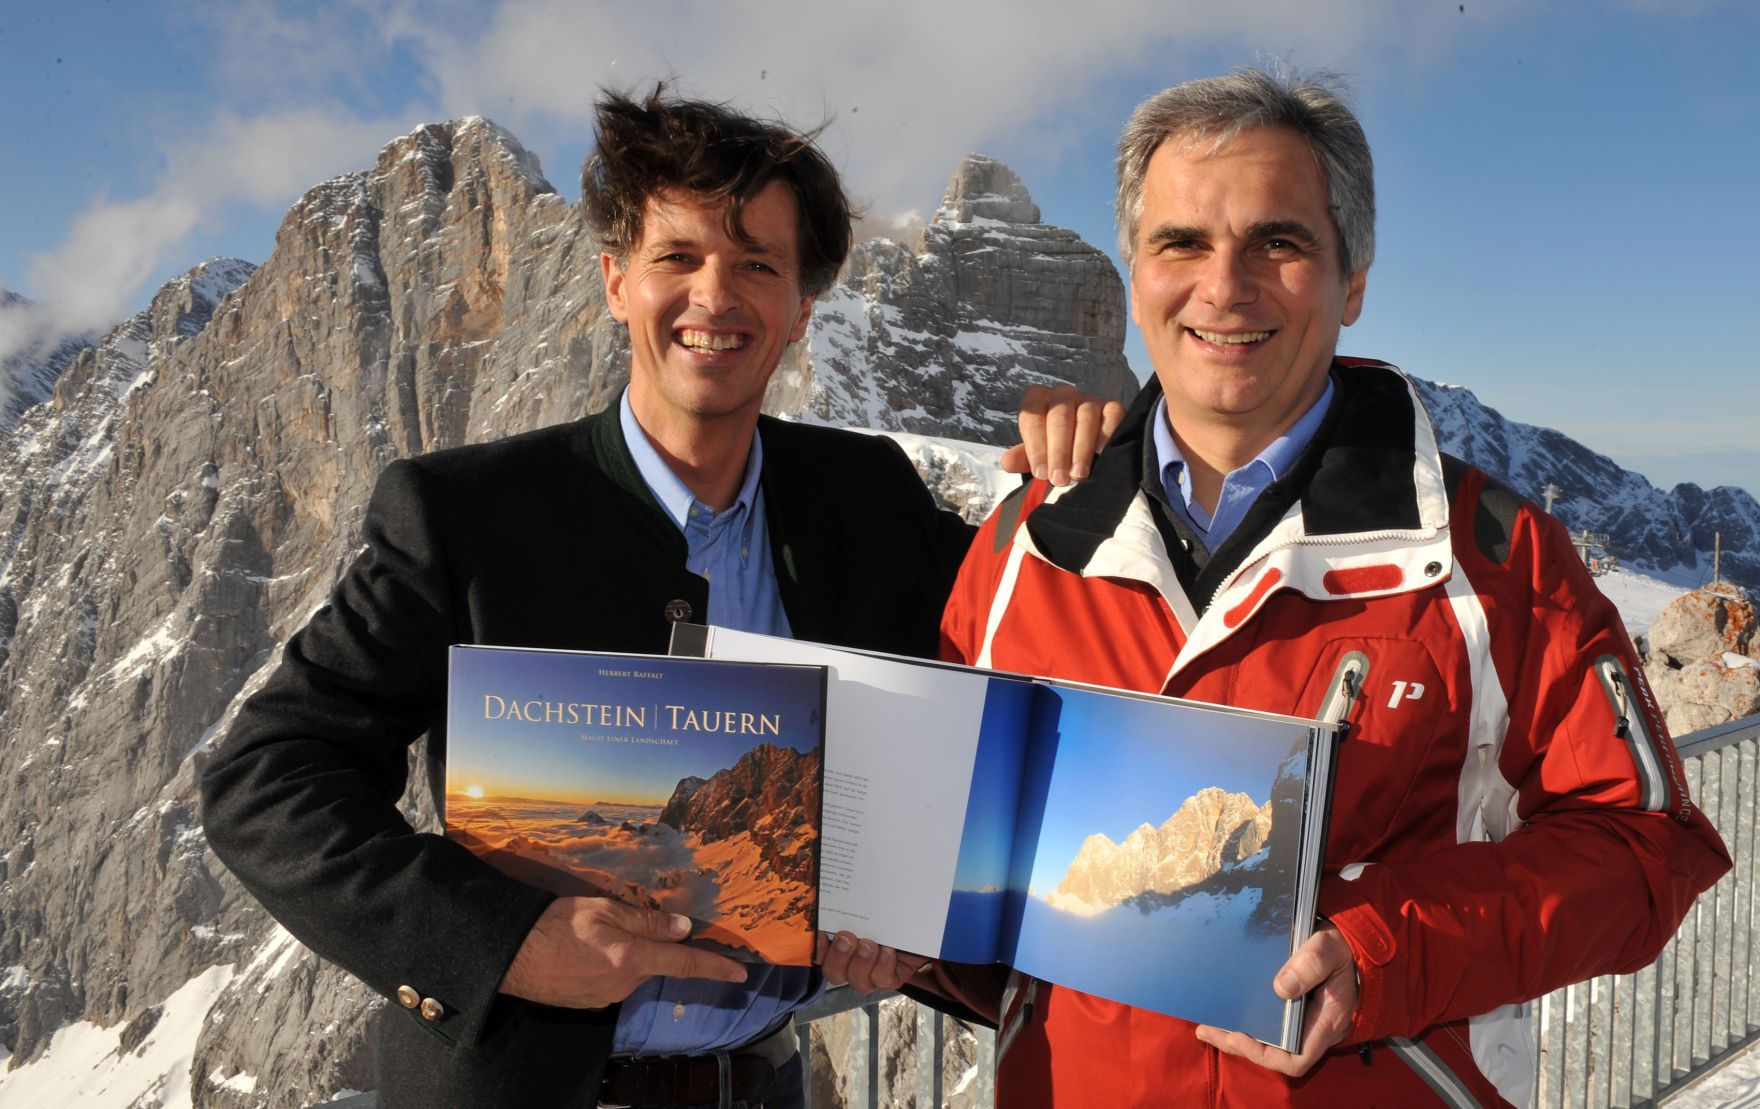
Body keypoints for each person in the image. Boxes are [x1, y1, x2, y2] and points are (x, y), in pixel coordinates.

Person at [199, 86, 1118, 1109]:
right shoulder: (465, 513)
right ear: (613, 283)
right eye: (677, 257)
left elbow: (1025, 689)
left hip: (761, 1081)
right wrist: (506, 939)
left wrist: (1091, 476)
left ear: (800, 309)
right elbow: (266, 775)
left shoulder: (871, 501)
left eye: (756, 265)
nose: (714, 296)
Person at [938, 67, 1730, 1107]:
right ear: (1129, 277)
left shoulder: (1493, 558)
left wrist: (1380, 949)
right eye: (1180, 242)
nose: (1224, 285)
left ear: (1349, 280)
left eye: (1278, 240)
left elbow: (1644, 846)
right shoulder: (1024, 542)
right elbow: (958, 845)